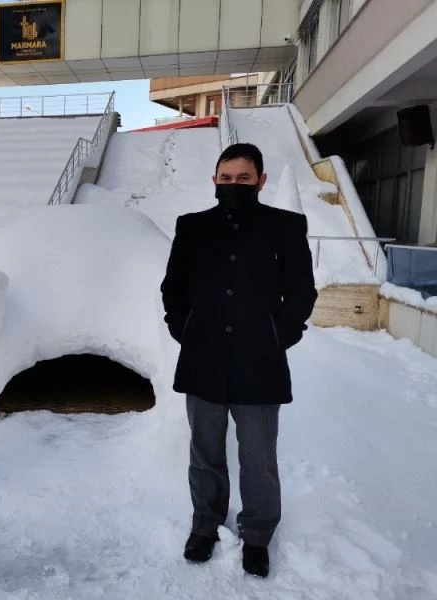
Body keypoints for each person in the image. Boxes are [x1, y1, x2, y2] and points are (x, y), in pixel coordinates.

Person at [160, 143, 317, 577]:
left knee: (258, 456)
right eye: (225, 178)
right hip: (203, 359)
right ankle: (205, 524)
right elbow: (173, 287)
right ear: (214, 180)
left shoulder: (285, 227)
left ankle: (258, 533)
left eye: (243, 178)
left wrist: (278, 335)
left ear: (260, 181)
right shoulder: (192, 227)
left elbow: (302, 292)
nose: (233, 185)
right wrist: (183, 329)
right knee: (205, 452)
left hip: (259, 363)